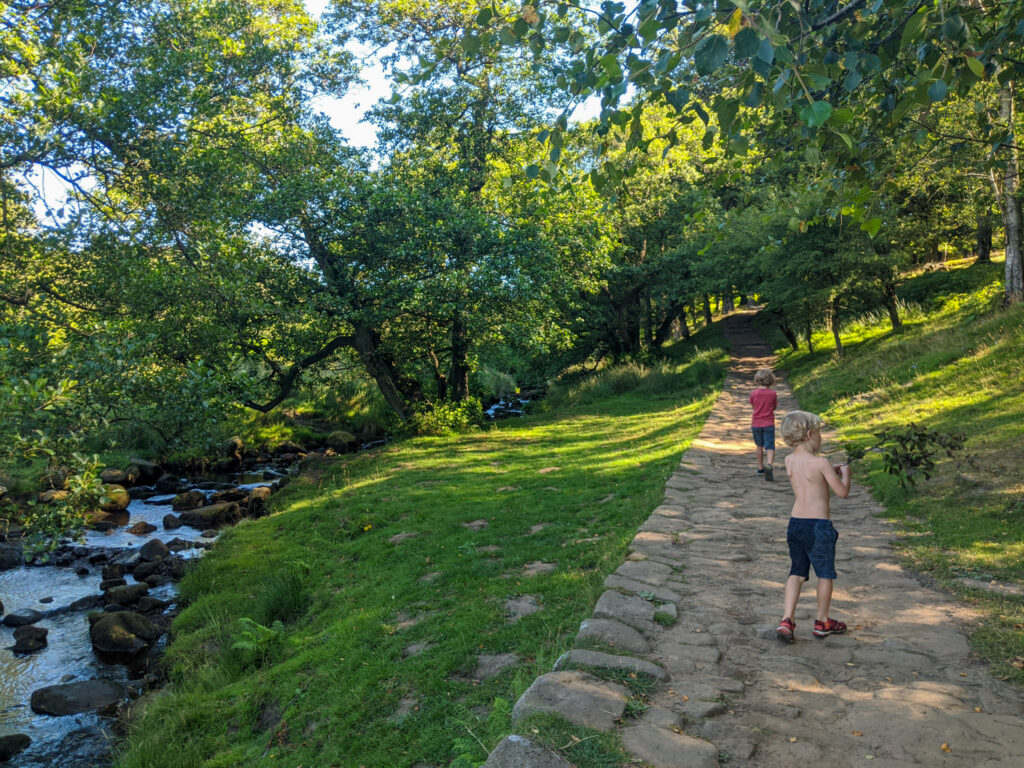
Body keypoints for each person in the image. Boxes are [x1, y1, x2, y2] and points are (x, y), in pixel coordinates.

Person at [776, 410, 851, 642]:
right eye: (819, 433)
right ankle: (822, 620)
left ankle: (787, 619)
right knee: (825, 574)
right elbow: (842, 492)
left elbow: (808, 481)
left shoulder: (789, 460)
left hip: (796, 524)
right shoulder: (821, 462)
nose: (821, 438)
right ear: (810, 434)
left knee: (796, 572)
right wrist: (846, 474)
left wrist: (829, 474)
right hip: (819, 527)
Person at [750, 367, 778, 481]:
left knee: (759, 446)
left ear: (757, 379)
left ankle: (760, 468)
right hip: (768, 423)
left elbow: (753, 406)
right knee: (770, 446)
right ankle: (769, 465)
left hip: (756, 423)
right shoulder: (772, 393)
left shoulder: (753, 393)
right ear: (771, 380)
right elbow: (774, 407)